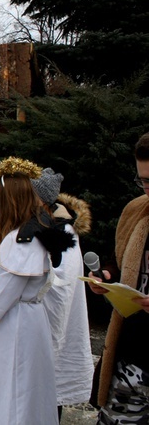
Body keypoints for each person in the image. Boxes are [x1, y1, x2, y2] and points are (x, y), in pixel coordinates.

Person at [0, 157, 73, 424]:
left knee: (13, 392)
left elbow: (8, 287)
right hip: (25, 322)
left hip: (17, 325)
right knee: (22, 390)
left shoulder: (22, 239)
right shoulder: (29, 230)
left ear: (10, 200)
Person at [90, 132, 149, 422]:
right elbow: (122, 259)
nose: (148, 189)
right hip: (133, 357)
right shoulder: (136, 211)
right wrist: (106, 276)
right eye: (144, 181)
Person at [31, 168, 94, 418]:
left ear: (42, 201)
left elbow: (62, 281)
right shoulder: (46, 225)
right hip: (40, 321)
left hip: (52, 321)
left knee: (50, 387)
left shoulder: (64, 232)